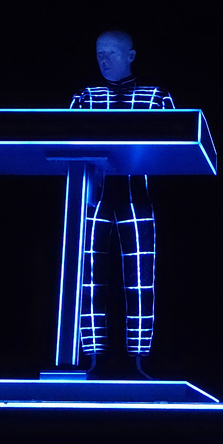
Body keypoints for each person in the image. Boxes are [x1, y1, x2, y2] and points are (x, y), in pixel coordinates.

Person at [70, 30, 173, 376]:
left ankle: (140, 358)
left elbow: (176, 144)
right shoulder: (86, 97)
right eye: (99, 52)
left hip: (137, 194)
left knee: (140, 278)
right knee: (88, 276)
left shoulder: (155, 97)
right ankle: (93, 356)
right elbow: (61, 138)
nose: (103, 59)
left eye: (111, 52)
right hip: (92, 196)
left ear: (130, 55)